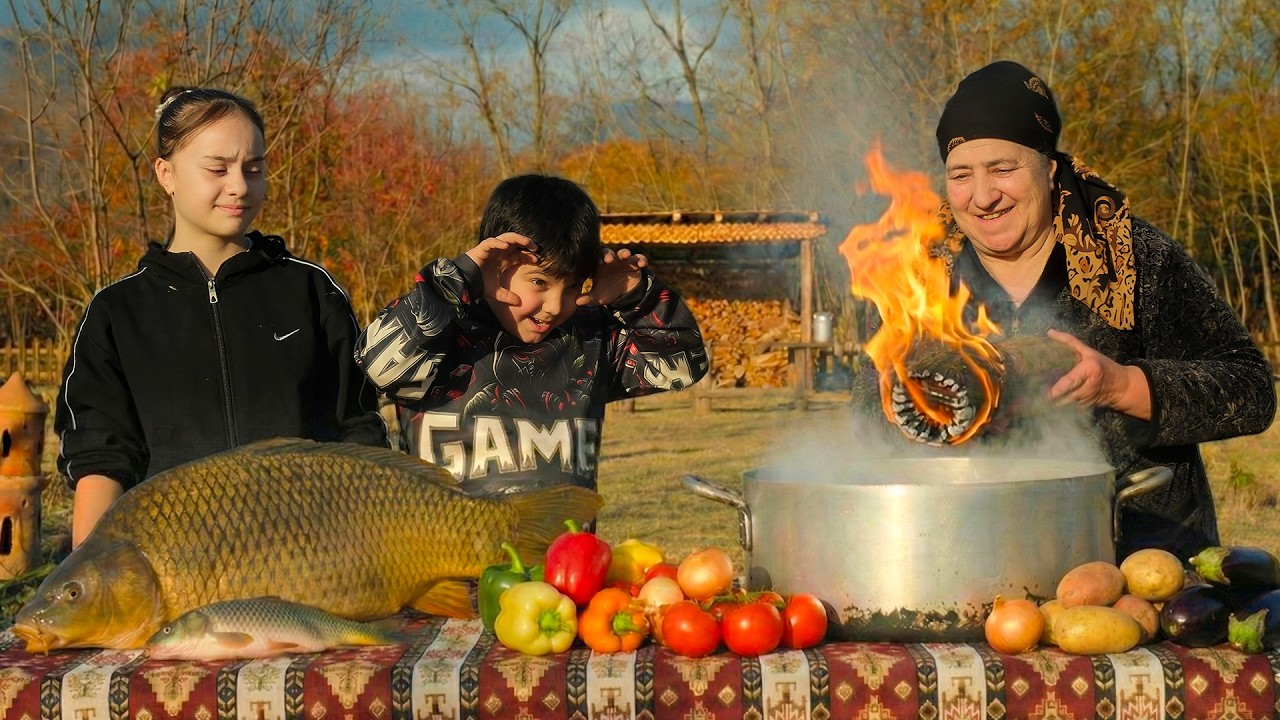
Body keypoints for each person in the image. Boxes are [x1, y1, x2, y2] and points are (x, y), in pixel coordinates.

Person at [923, 60, 1276, 559]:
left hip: (1145, 557)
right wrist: (941, 403)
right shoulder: (918, 275)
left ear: (1048, 170)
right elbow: (868, 410)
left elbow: (1251, 391)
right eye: (962, 174)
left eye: (1003, 168)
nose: (982, 197)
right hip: (971, 554)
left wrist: (1121, 386)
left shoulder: (1136, 256)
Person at [56, 87, 388, 547]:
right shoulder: (116, 315)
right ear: (166, 173)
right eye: (218, 169)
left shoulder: (310, 292)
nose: (239, 186)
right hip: (176, 574)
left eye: (253, 169)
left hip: (311, 563)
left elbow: (358, 431)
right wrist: (92, 578)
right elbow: (100, 460)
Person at [355, 174, 708, 496]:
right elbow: (378, 366)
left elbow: (682, 367)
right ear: (494, 264)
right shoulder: (440, 328)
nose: (555, 305)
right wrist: (455, 282)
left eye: (571, 287)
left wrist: (639, 295)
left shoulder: (591, 340)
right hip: (445, 562)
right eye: (539, 282)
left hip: (562, 562)